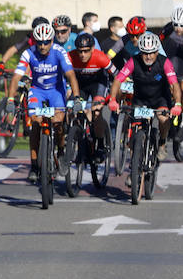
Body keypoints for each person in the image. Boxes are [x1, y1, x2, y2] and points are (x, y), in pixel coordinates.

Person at [13, 22, 81, 179]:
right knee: (35, 124)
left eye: (46, 42)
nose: (42, 46)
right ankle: (35, 165)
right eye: (39, 42)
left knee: (58, 121)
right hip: (37, 91)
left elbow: (70, 74)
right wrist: (11, 99)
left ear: (52, 40)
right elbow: (17, 76)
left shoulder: (60, 51)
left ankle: (62, 149)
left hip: (56, 91)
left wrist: (76, 97)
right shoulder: (28, 53)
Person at [66, 32, 115, 161]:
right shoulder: (70, 57)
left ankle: (100, 144)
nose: (82, 55)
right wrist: (67, 89)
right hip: (80, 85)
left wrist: (115, 95)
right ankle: (75, 136)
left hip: (98, 84)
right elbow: (61, 76)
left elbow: (118, 76)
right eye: (80, 51)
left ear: (92, 49)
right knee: (70, 109)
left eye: (86, 51)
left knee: (97, 112)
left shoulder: (101, 58)